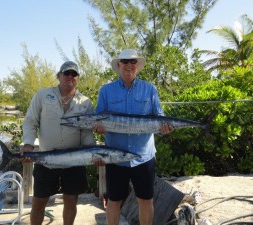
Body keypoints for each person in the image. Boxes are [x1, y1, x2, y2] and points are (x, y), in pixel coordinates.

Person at [95, 49, 174, 225]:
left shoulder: (150, 89)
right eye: (125, 61)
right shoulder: (106, 91)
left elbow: (159, 116)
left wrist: (165, 128)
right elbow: (97, 119)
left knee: (145, 200)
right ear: (118, 65)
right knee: (113, 201)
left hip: (144, 157)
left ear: (137, 66)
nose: (129, 65)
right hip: (115, 157)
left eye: (133, 62)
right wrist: (98, 128)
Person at [21, 61, 96, 225]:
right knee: (39, 202)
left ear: (78, 78)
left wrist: (94, 153)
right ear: (59, 75)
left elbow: (86, 132)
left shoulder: (85, 102)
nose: (70, 77)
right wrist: (27, 143)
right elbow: (30, 122)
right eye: (66, 73)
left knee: (71, 201)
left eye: (74, 74)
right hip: (46, 160)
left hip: (74, 161)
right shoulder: (42, 95)